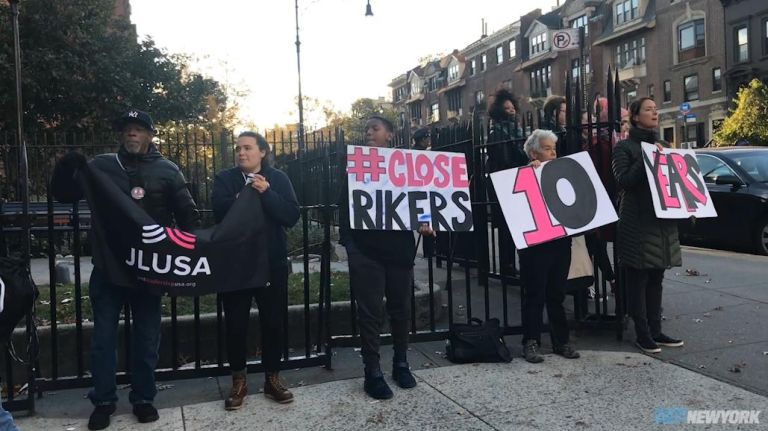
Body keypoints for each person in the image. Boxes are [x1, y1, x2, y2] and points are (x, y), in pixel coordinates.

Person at [51, 109, 200, 430]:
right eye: (126, 129)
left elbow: (188, 218)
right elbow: (64, 194)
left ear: (150, 135)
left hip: (149, 269)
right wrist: (65, 168)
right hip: (109, 267)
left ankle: (143, 398)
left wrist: (190, 257)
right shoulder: (102, 167)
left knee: (147, 338)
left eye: (138, 129)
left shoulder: (168, 170)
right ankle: (103, 401)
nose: (131, 133)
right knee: (103, 339)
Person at [339, 115, 434, 400]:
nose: (369, 132)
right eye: (367, 129)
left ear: (389, 135)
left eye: (375, 128)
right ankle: (372, 371)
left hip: (398, 250)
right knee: (370, 314)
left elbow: (421, 198)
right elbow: (343, 206)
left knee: (400, 310)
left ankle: (401, 363)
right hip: (366, 251)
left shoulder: (406, 165)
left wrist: (426, 221)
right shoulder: (355, 165)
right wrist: (351, 247)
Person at [212, 131, 299, 409]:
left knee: (273, 323)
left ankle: (272, 379)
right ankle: (239, 380)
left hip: (270, 263)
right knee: (235, 324)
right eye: (238, 148)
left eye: (247, 148)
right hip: (235, 264)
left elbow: (290, 215)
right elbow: (219, 211)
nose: (241, 153)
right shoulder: (225, 179)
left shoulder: (279, 178)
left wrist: (267, 193)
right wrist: (243, 194)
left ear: (262, 151)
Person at [612, 97, 684, 354]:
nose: (655, 113)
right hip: (636, 221)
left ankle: (656, 330)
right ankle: (642, 334)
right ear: (634, 117)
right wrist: (647, 158)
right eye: (648, 110)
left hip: (661, 220)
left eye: (656, 109)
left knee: (657, 276)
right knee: (638, 278)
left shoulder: (663, 144)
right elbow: (625, 181)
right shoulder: (624, 148)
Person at [519, 129, 580, 364]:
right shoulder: (523, 174)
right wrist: (528, 173)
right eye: (547, 148)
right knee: (534, 294)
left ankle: (561, 341)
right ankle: (530, 342)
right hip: (535, 247)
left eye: (554, 148)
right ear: (534, 152)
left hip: (559, 242)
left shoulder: (561, 173)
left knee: (557, 293)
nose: (553, 152)